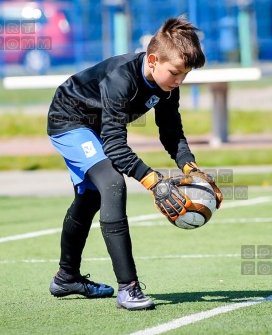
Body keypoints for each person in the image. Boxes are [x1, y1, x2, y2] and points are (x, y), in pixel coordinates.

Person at [46, 16, 223, 311]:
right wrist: (153, 181)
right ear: (153, 60)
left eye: (185, 75)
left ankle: (66, 277)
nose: (180, 81)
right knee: (112, 183)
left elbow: (171, 130)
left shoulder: (167, 86)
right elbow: (115, 145)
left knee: (91, 197)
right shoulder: (121, 78)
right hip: (70, 119)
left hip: (97, 125)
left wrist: (190, 167)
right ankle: (128, 288)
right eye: (176, 73)